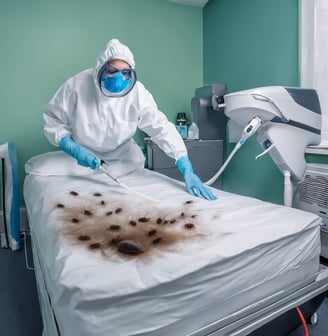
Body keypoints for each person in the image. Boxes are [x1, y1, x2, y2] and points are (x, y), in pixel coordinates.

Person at [43, 38, 216, 200]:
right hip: (82, 158)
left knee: (136, 166)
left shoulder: (137, 93)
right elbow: (54, 120)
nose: (119, 78)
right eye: (112, 71)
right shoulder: (76, 86)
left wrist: (185, 164)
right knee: (40, 169)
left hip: (123, 159)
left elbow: (160, 128)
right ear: (100, 69)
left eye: (125, 72)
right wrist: (73, 148)